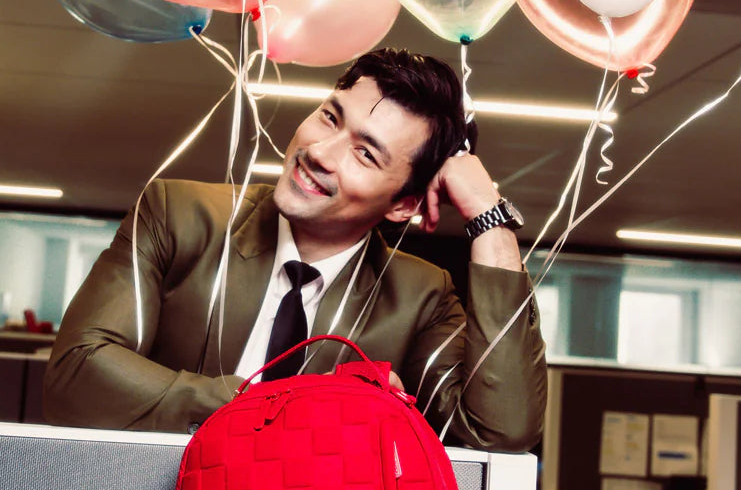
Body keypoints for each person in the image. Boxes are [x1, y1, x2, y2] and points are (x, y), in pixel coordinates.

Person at [43, 49, 546, 451]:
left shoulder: (419, 298)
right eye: (330, 118)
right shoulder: (178, 214)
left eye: (365, 153)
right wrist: (293, 407)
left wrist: (489, 216)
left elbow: (499, 430)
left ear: (404, 204)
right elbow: (77, 374)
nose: (319, 153)